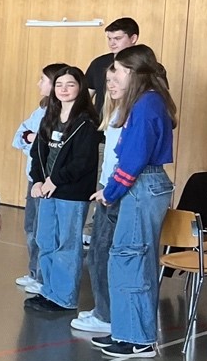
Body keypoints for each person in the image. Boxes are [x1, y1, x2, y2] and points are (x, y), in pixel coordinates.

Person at [90, 44, 176, 359]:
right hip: (143, 184)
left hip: (143, 184)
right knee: (127, 257)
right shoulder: (146, 102)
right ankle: (125, 331)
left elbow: (134, 156)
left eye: (118, 71)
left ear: (133, 72)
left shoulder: (146, 104)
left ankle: (137, 338)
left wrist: (111, 191)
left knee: (132, 257)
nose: (112, 78)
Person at [25, 66, 99, 315]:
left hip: (71, 193)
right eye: (59, 85)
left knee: (66, 245)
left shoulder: (86, 122)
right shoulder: (50, 116)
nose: (64, 89)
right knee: (45, 240)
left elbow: (82, 161)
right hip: (47, 190)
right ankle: (49, 290)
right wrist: (38, 180)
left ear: (80, 88)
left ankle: (64, 297)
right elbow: (38, 151)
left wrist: (55, 180)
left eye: (70, 84)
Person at [72, 88, 125, 336]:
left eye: (116, 80)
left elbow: (127, 160)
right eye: (108, 82)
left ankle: (107, 315)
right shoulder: (114, 112)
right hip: (107, 184)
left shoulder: (132, 113)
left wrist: (111, 189)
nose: (110, 86)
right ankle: (102, 309)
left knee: (103, 252)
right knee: (96, 252)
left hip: (115, 187)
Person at [11, 64, 59, 295]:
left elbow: (46, 142)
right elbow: (22, 135)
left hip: (49, 180)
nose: (39, 83)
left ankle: (43, 276)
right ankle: (34, 271)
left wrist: (34, 137)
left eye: (43, 79)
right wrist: (31, 137)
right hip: (34, 177)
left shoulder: (61, 114)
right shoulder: (40, 109)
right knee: (30, 226)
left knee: (44, 229)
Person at [85, 17, 139, 117]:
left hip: (132, 122)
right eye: (109, 39)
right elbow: (85, 98)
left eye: (117, 38)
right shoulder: (98, 63)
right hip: (101, 123)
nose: (112, 43)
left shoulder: (146, 66)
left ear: (133, 39)